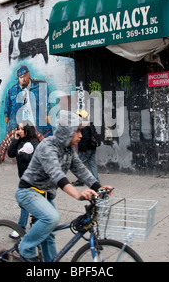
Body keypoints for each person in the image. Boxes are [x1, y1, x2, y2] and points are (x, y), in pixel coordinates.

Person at [15, 110, 113, 262]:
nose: (81, 135)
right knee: (51, 218)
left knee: (50, 232)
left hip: (44, 194)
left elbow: (80, 169)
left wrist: (98, 187)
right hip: (28, 191)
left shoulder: (68, 149)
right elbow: (57, 174)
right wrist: (77, 194)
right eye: (77, 131)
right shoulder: (48, 146)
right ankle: (25, 248)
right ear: (67, 132)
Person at [7, 120, 40, 238]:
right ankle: (33, 228)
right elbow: (10, 153)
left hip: (34, 179)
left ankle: (21, 228)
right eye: (18, 129)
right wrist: (15, 139)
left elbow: (36, 160)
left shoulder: (35, 143)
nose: (19, 131)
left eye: (21, 129)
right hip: (24, 178)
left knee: (26, 203)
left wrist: (24, 155)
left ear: (28, 130)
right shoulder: (19, 142)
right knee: (29, 204)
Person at [4, 65, 52, 137]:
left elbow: (47, 102)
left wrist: (47, 114)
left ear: (29, 75)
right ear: (18, 79)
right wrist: (10, 123)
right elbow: (7, 109)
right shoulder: (12, 91)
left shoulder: (41, 86)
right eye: (21, 77)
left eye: (25, 76)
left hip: (37, 127)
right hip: (21, 129)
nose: (23, 79)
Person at [73, 111, 99, 186]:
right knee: (92, 164)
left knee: (79, 164)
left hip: (86, 149)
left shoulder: (83, 126)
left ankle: (80, 180)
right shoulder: (90, 124)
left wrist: (83, 150)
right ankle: (96, 180)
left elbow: (85, 138)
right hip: (92, 147)